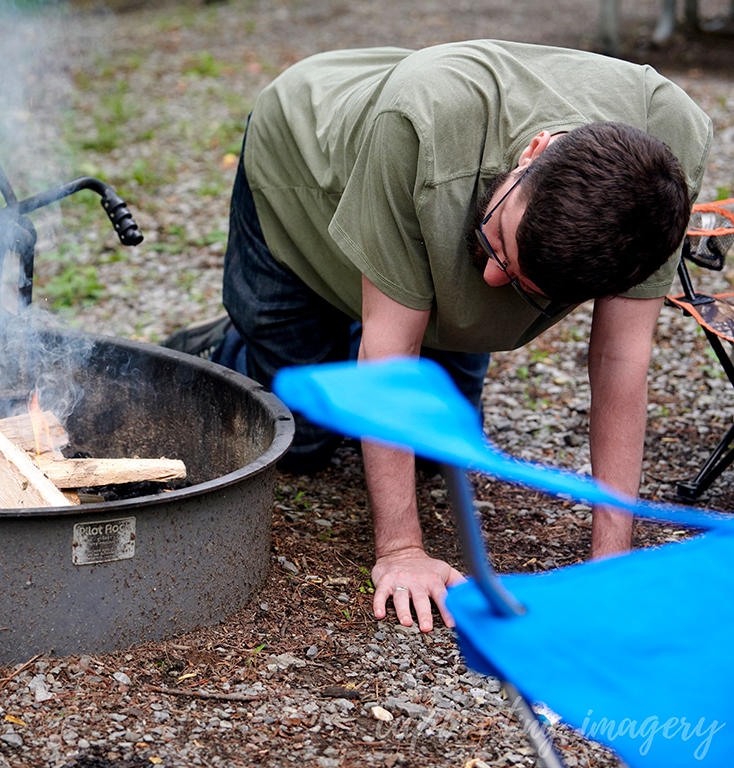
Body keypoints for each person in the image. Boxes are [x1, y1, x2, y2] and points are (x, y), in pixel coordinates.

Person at [165, 40, 713, 633]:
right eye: (501, 242)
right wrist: (400, 551)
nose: (490, 279)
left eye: (526, 286)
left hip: (422, 209)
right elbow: (388, 358)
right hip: (305, 166)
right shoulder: (419, 126)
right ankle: (233, 340)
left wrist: (612, 561)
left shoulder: (669, 152)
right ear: (535, 152)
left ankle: (397, 299)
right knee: (306, 440)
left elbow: (619, 356)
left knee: (436, 449)